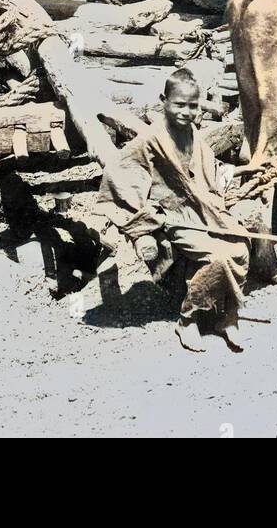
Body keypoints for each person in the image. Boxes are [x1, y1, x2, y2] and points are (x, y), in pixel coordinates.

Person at [98, 68, 253, 352]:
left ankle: (227, 317)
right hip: (175, 217)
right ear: (163, 101)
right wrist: (148, 213)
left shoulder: (192, 132)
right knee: (216, 257)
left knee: (240, 245)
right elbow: (120, 171)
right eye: (179, 104)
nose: (186, 111)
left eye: (193, 106)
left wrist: (236, 169)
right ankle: (188, 319)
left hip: (204, 209)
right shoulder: (151, 139)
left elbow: (206, 170)